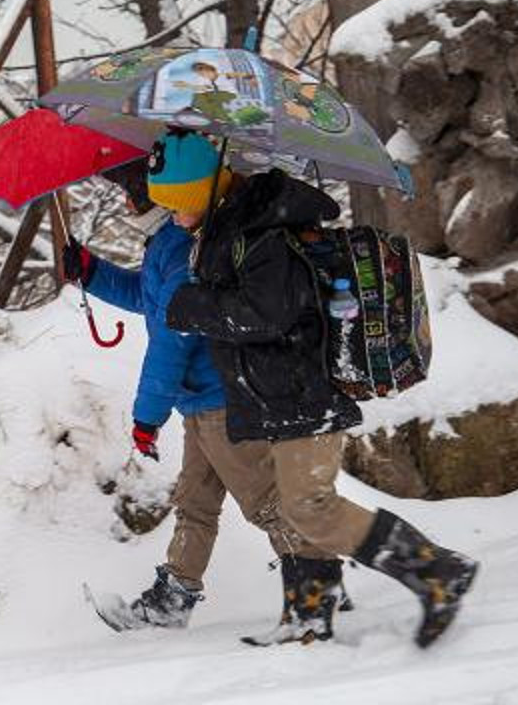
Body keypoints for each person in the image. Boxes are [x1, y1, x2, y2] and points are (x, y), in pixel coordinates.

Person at [164, 160, 479, 648]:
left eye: (177, 202)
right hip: (281, 394)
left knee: (310, 506)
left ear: (202, 194)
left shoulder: (261, 235)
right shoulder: (235, 231)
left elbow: (268, 315)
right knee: (301, 507)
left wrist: (195, 305)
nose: (170, 213)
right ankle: (308, 617)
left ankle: (437, 569)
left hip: (302, 390)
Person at [63, 130, 351, 644]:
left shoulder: (180, 249)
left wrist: (146, 418)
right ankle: (172, 599)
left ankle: (319, 584)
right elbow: (149, 300)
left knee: (262, 501)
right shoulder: (166, 244)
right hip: (198, 401)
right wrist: (92, 273)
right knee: (195, 502)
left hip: (220, 399)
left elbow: (169, 344)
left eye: (131, 196)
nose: (126, 206)